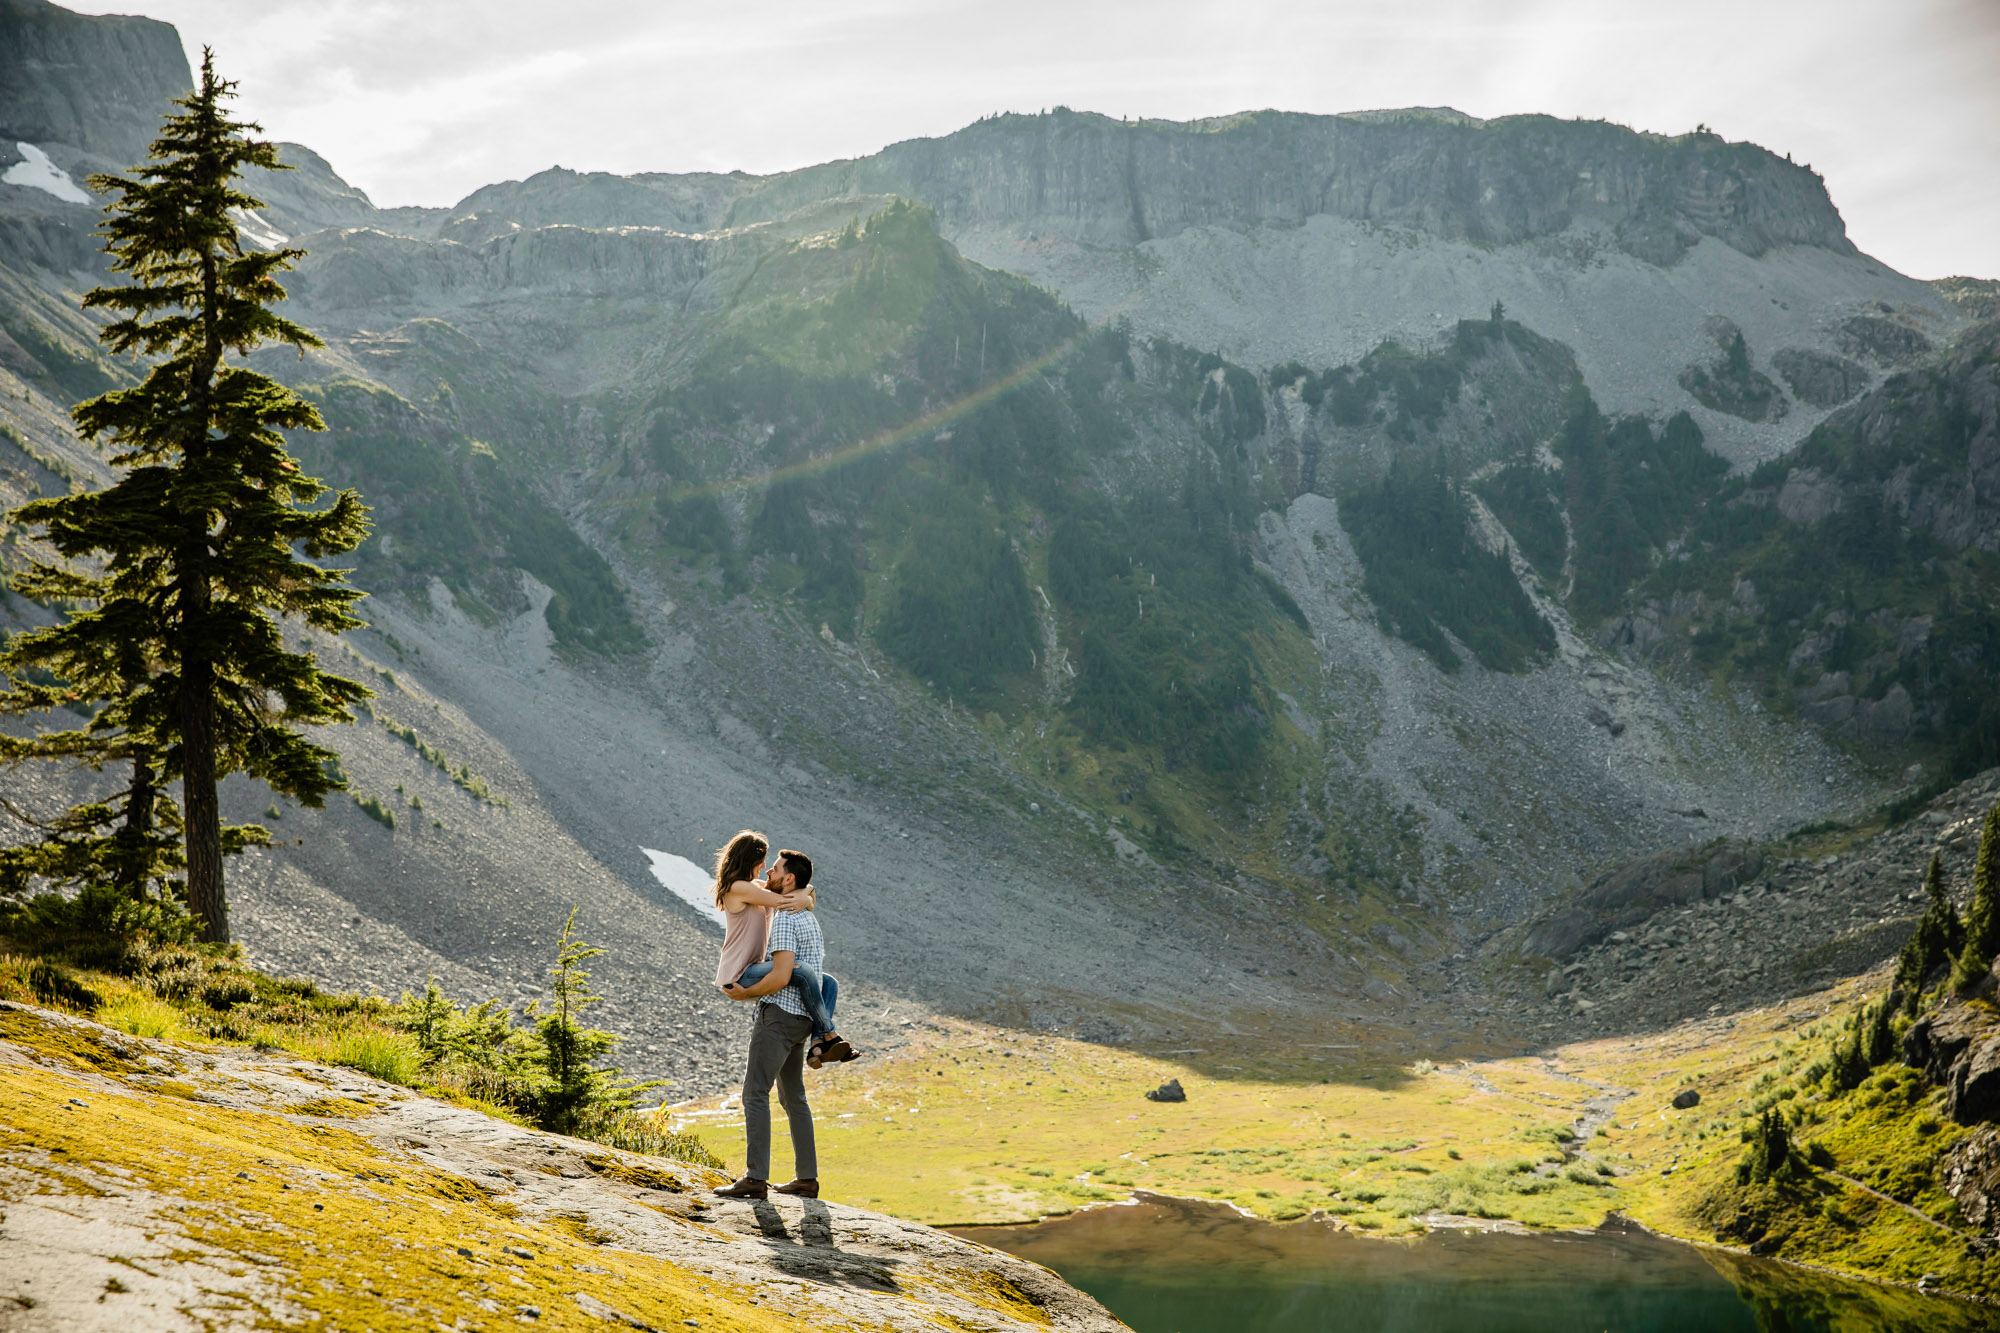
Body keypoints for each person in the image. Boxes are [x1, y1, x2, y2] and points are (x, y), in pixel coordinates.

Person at [714, 848, 851, 1201]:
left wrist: (746, 994)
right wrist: (806, 893)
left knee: (755, 1092)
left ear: (788, 878)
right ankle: (806, 1179)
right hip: (802, 1021)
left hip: (778, 1016)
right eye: (765, 866)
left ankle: (755, 1178)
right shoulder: (805, 914)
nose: (768, 872)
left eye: (774, 869)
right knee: (795, 1097)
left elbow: (780, 975)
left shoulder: (787, 918)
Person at [708, 830, 843, 1056]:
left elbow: (798, 895)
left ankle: (819, 1045)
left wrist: (807, 893)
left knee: (828, 983)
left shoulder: (755, 887)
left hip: (754, 968)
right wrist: (806, 895)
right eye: (761, 860)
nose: (763, 867)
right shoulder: (738, 888)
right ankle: (829, 1033)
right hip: (740, 973)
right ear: (749, 859)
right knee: (806, 972)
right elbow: (787, 900)